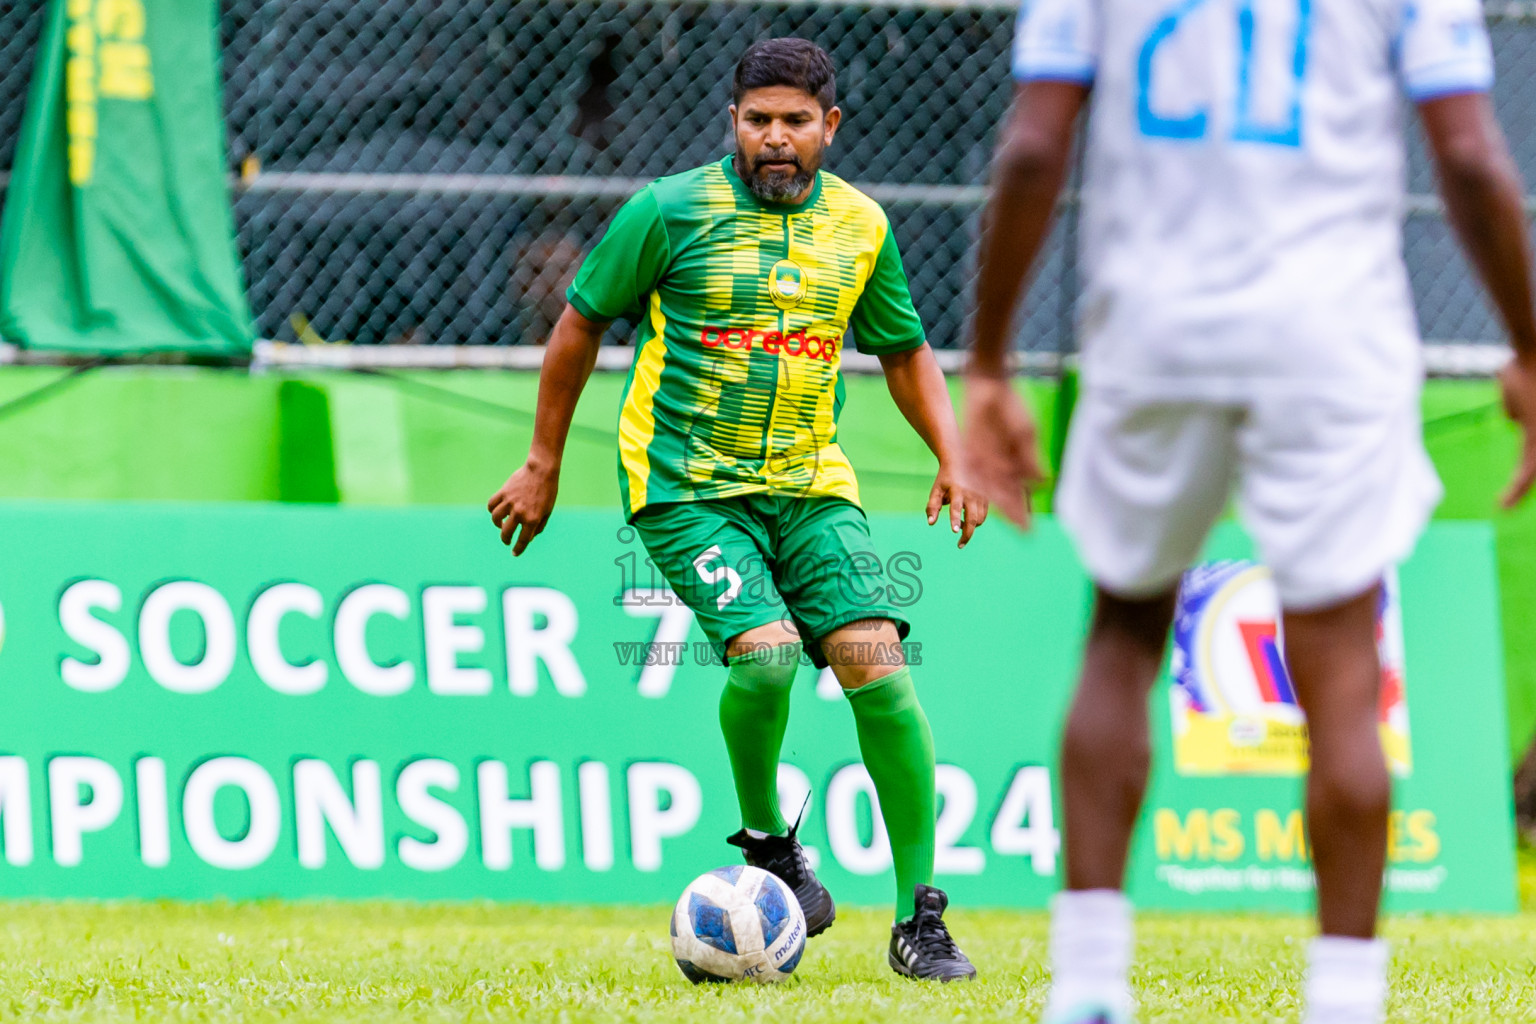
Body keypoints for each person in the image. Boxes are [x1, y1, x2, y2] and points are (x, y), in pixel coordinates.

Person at [963, 0, 1536, 1021]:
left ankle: (1090, 985)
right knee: (1344, 674)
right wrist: (1530, 345)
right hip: (1332, 336)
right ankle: (1344, 998)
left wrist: (995, 360)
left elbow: (1032, 150)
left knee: (1125, 635)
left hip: (1154, 326)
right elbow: (1474, 159)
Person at [488, 36, 984, 981]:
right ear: (733, 125)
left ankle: (922, 918)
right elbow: (581, 321)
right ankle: (768, 847)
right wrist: (543, 459)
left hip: (811, 485)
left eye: (796, 121)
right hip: (685, 488)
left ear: (829, 127)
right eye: (758, 121)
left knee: (879, 668)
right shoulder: (667, 212)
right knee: (767, 662)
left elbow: (907, 350)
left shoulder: (861, 227)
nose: (776, 139)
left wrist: (952, 458)